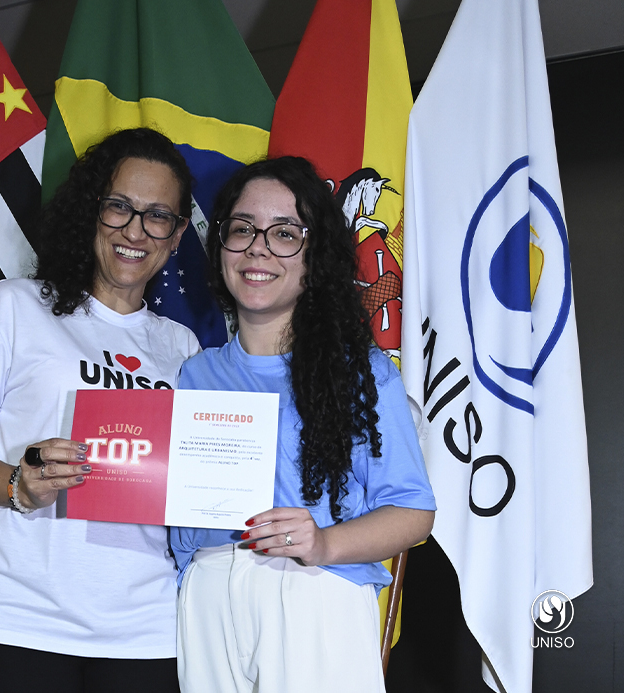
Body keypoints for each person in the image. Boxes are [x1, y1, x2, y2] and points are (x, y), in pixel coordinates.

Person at [0, 128, 200, 693]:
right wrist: (18, 485)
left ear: (176, 235)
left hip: (146, 628)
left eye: (157, 216)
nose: (135, 231)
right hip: (16, 618)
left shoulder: (183, 348)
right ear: (90, 211)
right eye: (119, 206)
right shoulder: (13, 306)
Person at [171, 157, 436, 693]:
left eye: (285, 233)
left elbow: (413, 513)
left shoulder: (360, 373)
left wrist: (323, 544)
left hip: (313, 592)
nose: (258, 248)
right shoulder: (193, 373)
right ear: (220, 245)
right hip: (204, 597)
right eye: (243, 229)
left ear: (315, 258)